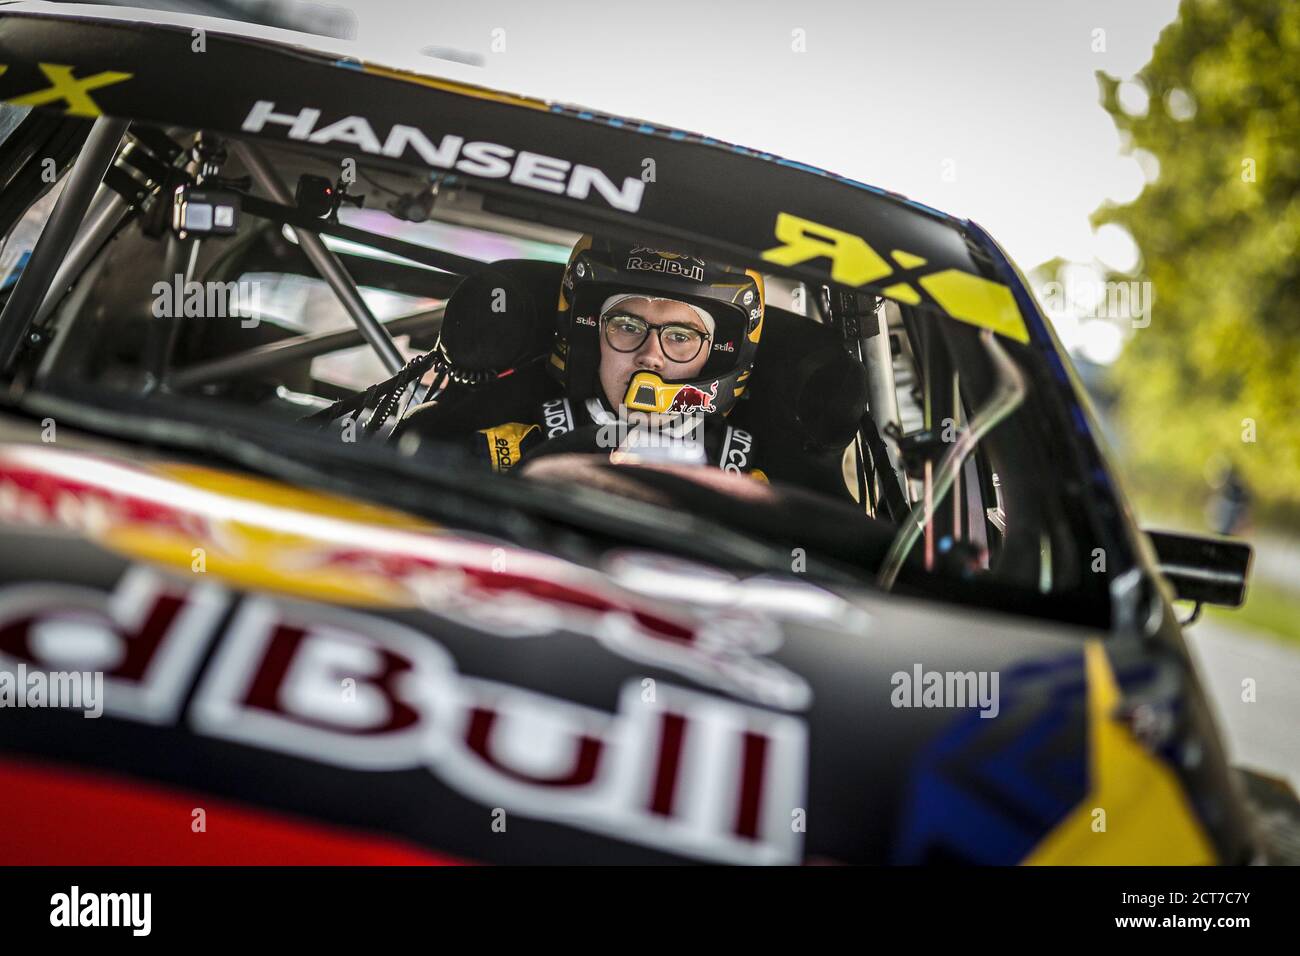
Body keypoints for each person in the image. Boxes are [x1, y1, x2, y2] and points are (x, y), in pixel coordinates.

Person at [466, 236, 768, 476]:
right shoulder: (507, 454)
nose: (650, 357)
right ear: (591, 340)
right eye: (627, 326)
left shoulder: (747, 484)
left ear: (715, 357)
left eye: (680, 337)